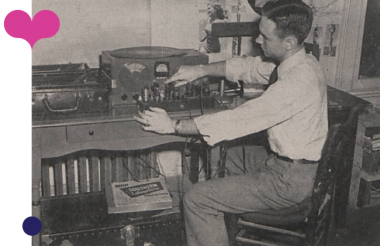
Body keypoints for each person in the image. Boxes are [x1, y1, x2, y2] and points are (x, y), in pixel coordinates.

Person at [134, 0, 328, 245]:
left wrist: (173, 125)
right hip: (291, 167)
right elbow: (250, 68)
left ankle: (210, 213)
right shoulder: (302, 62)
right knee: (219, 152)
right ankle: (218, 226)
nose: (258, 41)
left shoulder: (296, 83)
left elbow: (239, 119)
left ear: (288, 42)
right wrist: (200, 71)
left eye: (265, 37)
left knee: (196, 199)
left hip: (288, 182)